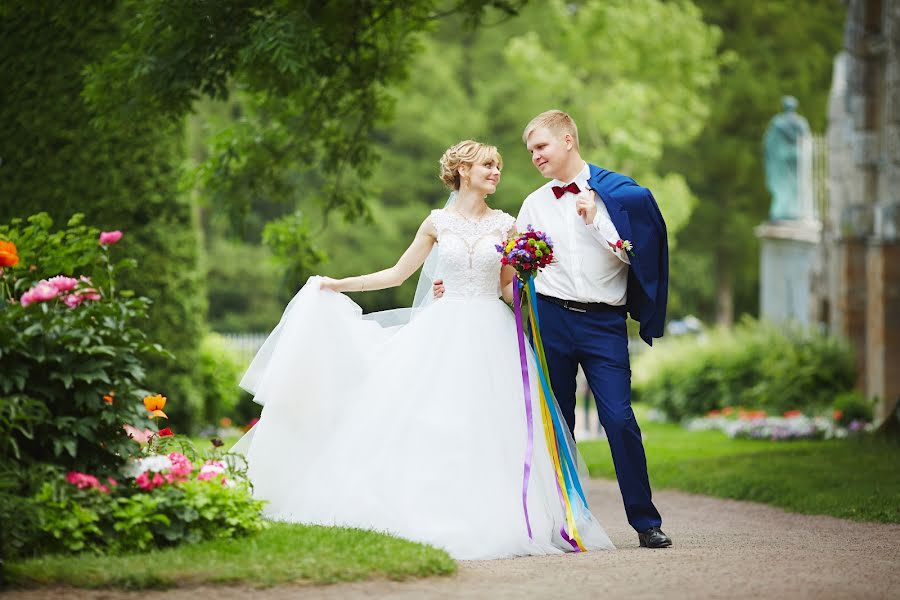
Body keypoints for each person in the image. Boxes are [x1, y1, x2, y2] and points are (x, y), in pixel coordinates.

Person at [232, 140, 614, 560]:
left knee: (491, 424)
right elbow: (397, 274)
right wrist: (336, 284)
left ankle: (497, 513)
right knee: (432, 418)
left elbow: (507, 289)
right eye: (488, 164)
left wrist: (529, 280)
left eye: (499, 166)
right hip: (443, 330)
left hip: (492, 334)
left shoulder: (507, 226)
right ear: (463, 171)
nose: (496, 172)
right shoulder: (437, 223)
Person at [435, 111, 672, 549]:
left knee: (619, 419)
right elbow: (505, 269)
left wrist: (595, 221)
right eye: (530, 151)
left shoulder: (618, 195)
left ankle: (645, 521)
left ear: (567, 140)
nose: (535, 157)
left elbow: (635, 257)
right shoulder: (532, 206)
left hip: (604, 323)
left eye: (540, 147)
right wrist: (454, 284)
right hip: (551, 322)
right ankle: (564, 521)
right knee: (555, 425)